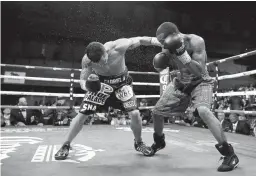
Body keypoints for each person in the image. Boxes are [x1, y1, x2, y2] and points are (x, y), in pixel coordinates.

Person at [150, 22, 239, 172]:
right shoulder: (165, 45)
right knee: (156, 112)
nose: (162, 45)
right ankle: (159, 142)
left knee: (203, 110)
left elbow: (199, 71)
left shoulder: (196, 41)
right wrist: (160, 60)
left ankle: (230, 155)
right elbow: (150, 46)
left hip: (200, 82)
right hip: (181, 82)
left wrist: (182, 54)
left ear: (175, 35)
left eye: (163, 42)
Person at [55, 36, 162, 160]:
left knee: (135, 113)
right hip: (100, 85)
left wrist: (159, 42)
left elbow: (142, 40)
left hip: (121, 84)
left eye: (102, 60)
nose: (101, 63)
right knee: (82, 114)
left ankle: (139, 143)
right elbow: (83, 80)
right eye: (97, 63)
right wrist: (88, 86)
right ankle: (65, 145)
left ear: (105, 52)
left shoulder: (119, 46)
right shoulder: (87, 60)